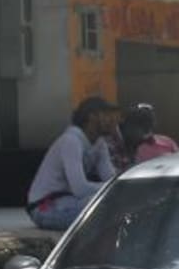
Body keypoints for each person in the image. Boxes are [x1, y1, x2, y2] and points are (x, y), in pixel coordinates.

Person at [26, 96, 119, 231]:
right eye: (106, 115)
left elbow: (111, 179)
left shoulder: (100, 144)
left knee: (116, 206)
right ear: (92, 116)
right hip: (46, 208)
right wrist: (115, 188)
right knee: (107, 210)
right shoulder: (71, 141)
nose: (112, 120)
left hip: (70, 203)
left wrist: (119, 189)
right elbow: (80, 189)